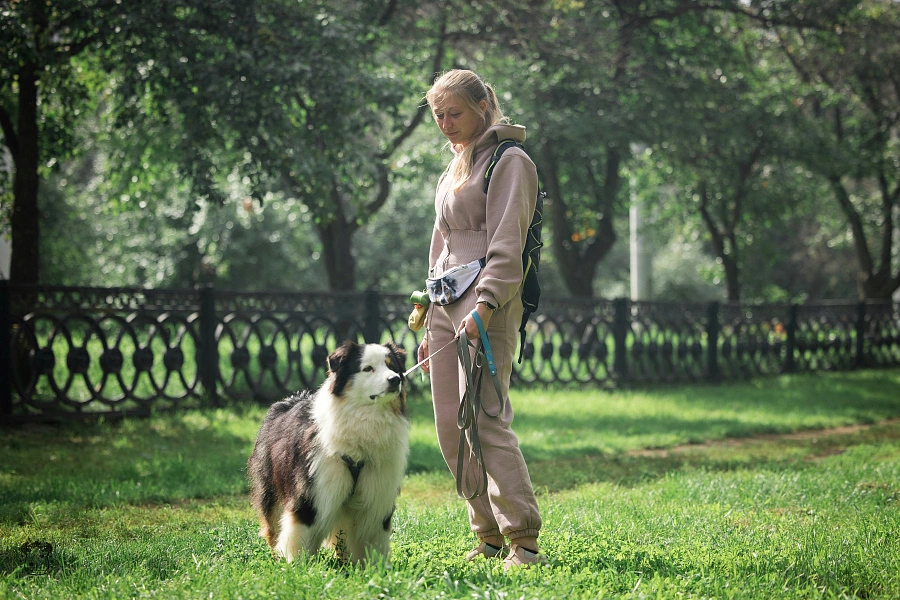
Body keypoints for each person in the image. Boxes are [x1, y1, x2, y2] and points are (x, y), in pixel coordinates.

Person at [417, 69, 546, 569]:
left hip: (488, 309)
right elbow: (440, 248)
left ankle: (524, 542)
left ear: (482, 106)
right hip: (445, 312)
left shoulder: (510, 161)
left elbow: (507, 247)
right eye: (438, 116)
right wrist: (428, 314)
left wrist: (485, 306)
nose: (446, 124)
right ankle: (487, 537)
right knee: (451, 428)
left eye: (455, 113)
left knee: (487, 423)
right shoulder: (454, 167)